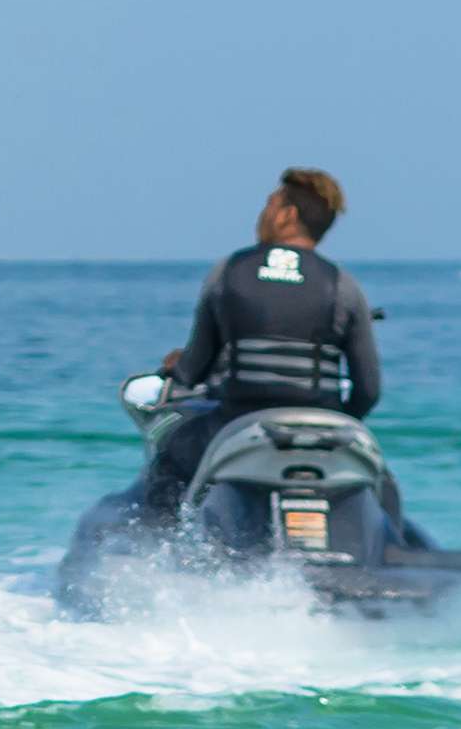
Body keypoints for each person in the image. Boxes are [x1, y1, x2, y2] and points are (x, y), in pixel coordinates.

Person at [134, 166, 380, 510]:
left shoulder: (229, 272)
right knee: (382, 482)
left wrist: (178, 365)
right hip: (323, 430)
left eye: (269, 204)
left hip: (236, 424)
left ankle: (159, 551)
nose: (261, 215)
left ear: (286, 214)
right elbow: (368, 389)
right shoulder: (344, 285)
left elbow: (193, 371)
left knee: (170, 456)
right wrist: (336, 419)